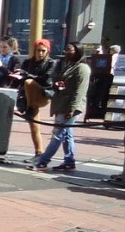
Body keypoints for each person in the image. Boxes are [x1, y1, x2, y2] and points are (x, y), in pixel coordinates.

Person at [29, 42, 90, 172]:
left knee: (58, 134)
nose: (66, 52)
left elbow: (80, 91)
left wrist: (72, 109)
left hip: (70, 107)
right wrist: (57, 85)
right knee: (67, 135)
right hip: (61, 104)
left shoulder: (82, 68)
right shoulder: (67, 65)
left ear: (77, 51)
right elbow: (59, 81)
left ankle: (43, 161)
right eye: (65, 49)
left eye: (69, 50)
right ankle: (69, 161)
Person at [17, 38, 58, 156]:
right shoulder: (27, 62)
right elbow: (20, 80)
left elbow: (46, 80)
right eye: (38, 50)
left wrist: (27, 75)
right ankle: (39, 152)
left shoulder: (51, 63)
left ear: (48, 51)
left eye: (43, 51)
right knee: (34, 125)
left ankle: (30, 107)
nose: (40, 53)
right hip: (29, 97)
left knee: (29, 82)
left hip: (43, 94)